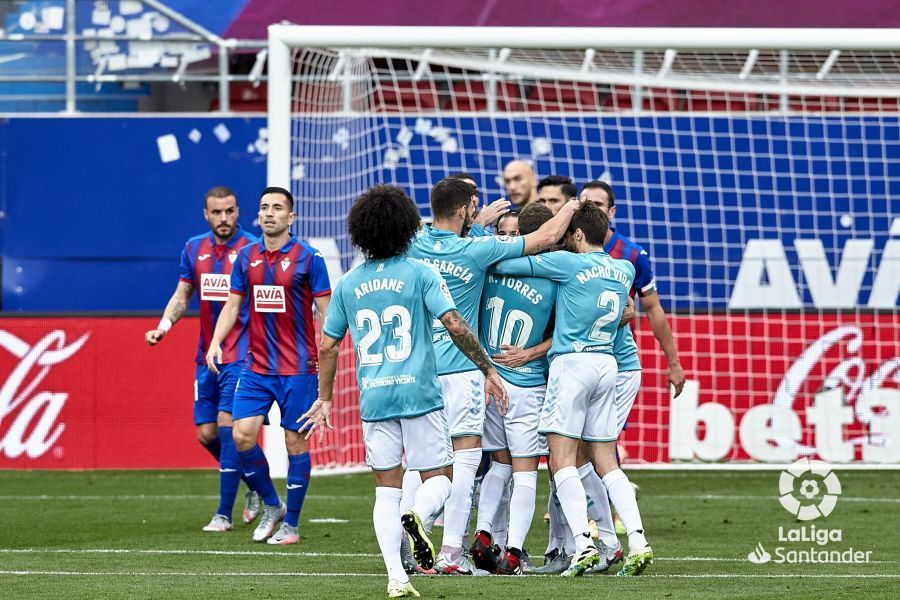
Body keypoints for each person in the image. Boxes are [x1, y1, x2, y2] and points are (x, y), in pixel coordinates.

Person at [298, 184, 508, 599]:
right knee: (441, 479)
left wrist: (324, 398)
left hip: (375, 397)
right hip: (419, 393)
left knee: (386, 488)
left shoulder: (348, 283)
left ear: (360, 232)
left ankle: (396, 576)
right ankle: (418, 513)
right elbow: (455, 325)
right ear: (407, 228)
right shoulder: (420, 272)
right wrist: (488, 368)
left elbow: (327, 345)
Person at [404, 177, 578, 576]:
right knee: (467, 463)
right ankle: (452, 552)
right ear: (463, 209)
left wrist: (478, 221)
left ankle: (407, 535)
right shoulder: (479, 250)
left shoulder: (414, 243)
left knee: (421, 460)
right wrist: (572, 207)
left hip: (419, 369)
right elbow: (546, 236)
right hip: (464, 369)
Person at [494, 203, 654, 577]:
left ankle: (583, 545)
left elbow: (506, 264)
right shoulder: (624, 268)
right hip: (607, 365)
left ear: (577, 234)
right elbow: (625, 307)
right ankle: (638, 541)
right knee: (606, 460)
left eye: (567, 233)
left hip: (572, 365)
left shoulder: (567, 264)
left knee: (561, 460)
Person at [206, 186, 331, 545]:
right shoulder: (246, 257)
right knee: (241, 435)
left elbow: (326, 312)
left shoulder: (310, 258)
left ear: (291, 217)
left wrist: (328, 351)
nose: (269, 213)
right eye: (264, 207)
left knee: (295, 442)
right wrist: (216, 341)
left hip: (299, 368)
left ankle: (291, 525)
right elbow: (233, 305)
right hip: (256, 366)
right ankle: (272, 505)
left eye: (277, 208)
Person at [145, 185, 261, 532]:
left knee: (227, 428)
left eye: (229, 211)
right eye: (216, 212)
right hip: (206, 355)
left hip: (242, 354)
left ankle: (223, 514)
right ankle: (256, 486)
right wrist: (163, 326)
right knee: (207, 434)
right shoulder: (193, 248)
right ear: (206, 215)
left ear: (237, 212)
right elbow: (183, 294)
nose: (223, 218)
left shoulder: (253, 249)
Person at [471, 203, 557, 575]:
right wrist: (531, 353)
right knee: (525, 471)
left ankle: (483, 533)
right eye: (503, 234)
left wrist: (479, 225)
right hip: (525, 383)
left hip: (489, 378)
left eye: (513, 234)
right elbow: (565, 332)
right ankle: (513, 552)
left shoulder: (487, 267)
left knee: (498, 464)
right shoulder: (553, 274)